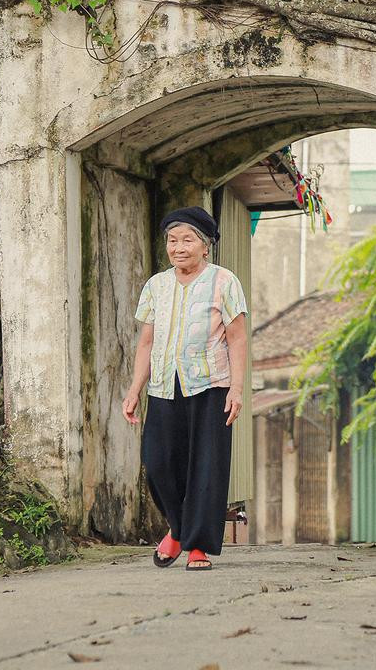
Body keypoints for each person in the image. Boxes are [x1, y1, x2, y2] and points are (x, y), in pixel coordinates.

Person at [122, 206, 248, 571]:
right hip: (163, 385)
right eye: (172, 241)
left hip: (211, 385)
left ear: (205, 246)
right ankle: (178, 528)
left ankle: (197, 546)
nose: (178, 247)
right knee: (158, 462)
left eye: (187, 240)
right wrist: (134, 389)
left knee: (206, 465)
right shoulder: (156, 286)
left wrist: (236, 389)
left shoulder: (224, 282)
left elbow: (237, 338)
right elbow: (146, 342)